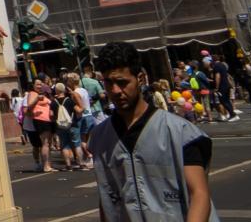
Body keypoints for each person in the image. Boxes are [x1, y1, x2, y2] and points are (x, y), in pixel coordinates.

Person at [90, 40, 220, 221]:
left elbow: (199, 194)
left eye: (122, 82)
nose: (115, 90)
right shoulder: (99, 138)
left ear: (141, 79)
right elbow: (107, 199)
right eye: (109, 83)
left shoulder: (180, 133)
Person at [24, 79, 56, 172]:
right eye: (37, 84)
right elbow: (27, 109)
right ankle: (42, 164)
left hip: (46, 121)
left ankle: (46, 164)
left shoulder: (42, 94)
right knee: (41, 145)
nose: (40, 86)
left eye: (41, 84)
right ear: (33, 85)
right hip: (37, 123)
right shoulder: (32, 94)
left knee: (47, 144)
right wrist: (37, 100)